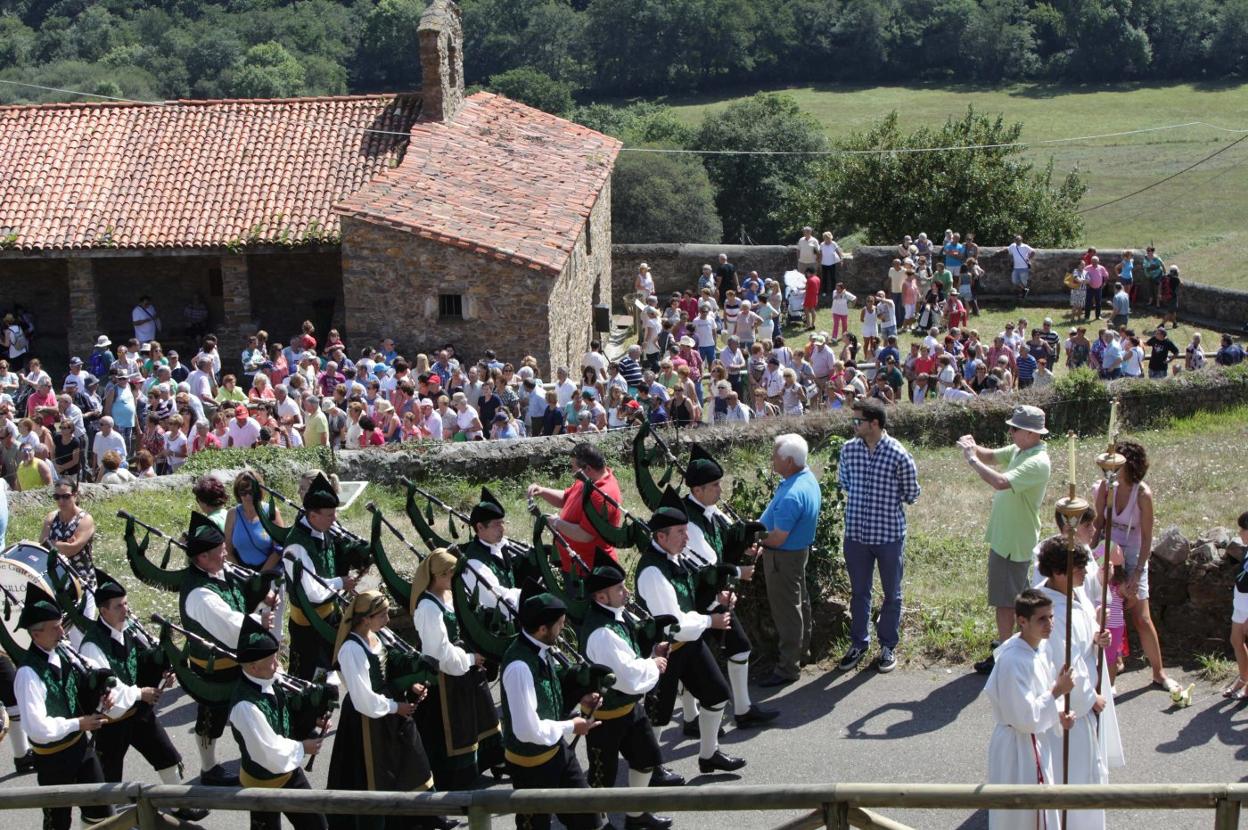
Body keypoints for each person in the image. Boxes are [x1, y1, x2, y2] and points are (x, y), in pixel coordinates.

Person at [78, 569, 208, 821]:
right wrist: (141, 693)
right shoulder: (92, 645)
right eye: (118, 606)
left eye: (126, 603)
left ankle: (178, 804)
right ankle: (103, 823)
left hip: (139, 712)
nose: (125, 610)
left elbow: (145, 660)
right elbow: (110, 690)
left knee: (166, 755)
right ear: (103, 611)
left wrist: (163, 675)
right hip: (112, 723)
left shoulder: (128, 630)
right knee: (107, 778)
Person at [635, 488, 744, 773]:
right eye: (680, 532)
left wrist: (716, 601)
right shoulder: (652, 572)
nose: (687, 537)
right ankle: (652, 769)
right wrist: (711, 621)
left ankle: (709, 755)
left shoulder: (676, 557)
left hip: (689, 645)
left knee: (717, 695)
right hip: (665, 651)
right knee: (658, 715)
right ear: (660, 537)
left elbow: (693, 596)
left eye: (686, 530)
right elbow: (675, 624)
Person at [328, 590, 455, 830]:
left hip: (393, 709)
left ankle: (429, 817)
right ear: (365, 618)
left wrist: (412, 684)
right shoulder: (351, 650)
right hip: (368, 721)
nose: (388, 619)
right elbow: (363, 698)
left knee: (415, 762)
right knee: (378, 776)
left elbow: (389, 669)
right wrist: (396, 707)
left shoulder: (377, 636)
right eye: (382, 615)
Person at [579, 551, 679, 829]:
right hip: (605, 717)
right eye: (619, 589)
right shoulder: (602, 633)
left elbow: (629, 658)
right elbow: (627, 677)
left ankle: (636, 815)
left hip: (629, 709)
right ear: (601, 597)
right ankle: (599, 824)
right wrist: (654, 664)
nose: (626, 592)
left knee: (646, 759)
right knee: (602, 777)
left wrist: (650, 653)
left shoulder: (616, 616)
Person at [681, 445, 777, 727]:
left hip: (712, 594)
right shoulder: (688, 520)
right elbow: (705, 563)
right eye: (714, 485)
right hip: (698, 599)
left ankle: (734, 711)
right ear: (697, 491)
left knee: (730, 650)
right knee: (700, 655)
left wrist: (746, 545)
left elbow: (728, 537)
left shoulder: (710, 510)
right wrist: (736, 573)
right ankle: (696, 717)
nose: (720, 490)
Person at [181, 510, 278, 786]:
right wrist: (259, 619)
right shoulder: (199, 594)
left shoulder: (219, 570)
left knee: (248, 711)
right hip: (215, 668)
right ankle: (209, 769)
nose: (225, 554)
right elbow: (230, 625)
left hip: (234, 661)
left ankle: (257, 758)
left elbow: (242, 588)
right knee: (212, 717)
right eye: (220, 551)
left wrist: (262, 591)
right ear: (202, 558)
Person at [1035, 538, 1123, 830]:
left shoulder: (1073, 593)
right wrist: (1090, 698)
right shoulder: (1049, 611)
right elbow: (1064, 663)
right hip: (1069, 709)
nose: (1087, 573)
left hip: (1085, 694)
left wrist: (1098, 637)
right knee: (1074, 777)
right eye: (1080, 567)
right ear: (1059, 572)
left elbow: (1083, 638)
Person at [500, 585, 605, 830]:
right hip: (530, 766)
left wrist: (582, 701)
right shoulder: (519, 667)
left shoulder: (541, 648)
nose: (563, 628)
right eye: (559, 624)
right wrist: (572, 725)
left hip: (557, 752)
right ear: (542, 629)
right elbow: (527, 730)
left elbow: (549, 692)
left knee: (588, 818)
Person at [13, 582, 115, 830]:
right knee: (58, 821)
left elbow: (85, 682)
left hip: (80, 747)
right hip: (53, 760)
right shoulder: (28, 674)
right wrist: (78, 723)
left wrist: (103, 695)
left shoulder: (64, 651)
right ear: (36, 634)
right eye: (55, 627)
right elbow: (37, 729)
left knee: (100, 809)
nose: (62, 632)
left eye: (61, 624)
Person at [958, 406, 1052, 674]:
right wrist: (973, 447)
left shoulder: (1037, 462)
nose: (1009, 432)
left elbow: (999, 481)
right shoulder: (1021, 451)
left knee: (1005, 602)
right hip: (1008, 538)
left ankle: (1003, 654)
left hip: (1013, 542)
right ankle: (1017, 648)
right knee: (1018, 599)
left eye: (1014, 428)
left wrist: (971, 460)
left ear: (1031, 433)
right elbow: (990, 456)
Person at [837, 401, 920, 673]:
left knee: (891, 593)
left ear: (874, 423)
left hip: (888, 536)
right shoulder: (849, 450)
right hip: (856, 535)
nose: (854, 426)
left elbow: (912, 494)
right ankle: (859, 643)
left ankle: (887, 646)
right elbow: (845, 482)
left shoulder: (898, 454)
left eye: (857, 421)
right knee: (859, 592)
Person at [411, 549, 504, 789]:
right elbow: (440, 653)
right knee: (456, 727)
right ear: (438, 575)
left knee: (480, 715)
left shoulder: (450, 594)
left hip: (467, 668)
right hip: (446, 677)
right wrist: (471, 659)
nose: (456, 578)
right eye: (451, 574)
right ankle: (458, 779)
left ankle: (493, 761)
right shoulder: (428, 608)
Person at [983, 589, 1075, 830]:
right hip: (1018, 747)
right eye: (1042, 619)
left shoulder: (1040, 648)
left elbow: (1037, 697)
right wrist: (1057, 691)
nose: (1050, 624)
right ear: (1022, 621)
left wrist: (1058, 715)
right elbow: (1024, 717)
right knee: (1020, 818)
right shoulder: (1013, 661)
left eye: (1051, 617)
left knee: (1037, 812)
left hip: (1035, 741)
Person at [1092, 439, 1177, 693]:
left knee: (1141, 616)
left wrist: (1136, 574)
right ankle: (1110, 665)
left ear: (1130, 465)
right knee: (1104, 611)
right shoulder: (1104, 488)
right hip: (1107, 552)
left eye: (1117, 462)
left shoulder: (1143, 494)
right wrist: (1089, 555)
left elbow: (1148, 538)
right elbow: (1097, 526)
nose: (1111, 467)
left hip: (1134, 554)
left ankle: (1158, 673)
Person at [228, 618, 328, 830]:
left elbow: (285, 710)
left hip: (289, 771)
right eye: (272, 661)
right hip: (262, 783)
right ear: (254, 667)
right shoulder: (245, 707)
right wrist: (303, 747)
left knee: (317, 825)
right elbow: (267, 751)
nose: (277, 666)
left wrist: (313, 719)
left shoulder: (268, 679)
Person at [282, 472, 370, 680]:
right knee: (307, 681)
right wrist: (341, 582)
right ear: (313, 516)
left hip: (330, 617)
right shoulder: (296, 546)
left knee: (334, 673)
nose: (335, 519)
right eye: (330, 515)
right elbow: (312, 591)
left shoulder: (322, 530)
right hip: (307, 626)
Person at [755, 434, 822, 687]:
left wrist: (758, 540)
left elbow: (778, 538)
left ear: (790, 462)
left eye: (776, 456)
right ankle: (801, 653)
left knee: (786, 612)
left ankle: (787, 668)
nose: (772, 459)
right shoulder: (806, 479)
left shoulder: (793, 494)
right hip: (796, 554)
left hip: (782, 558)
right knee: (799, 603)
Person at [528, 443, 623, 573]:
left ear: (587, 468)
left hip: (590, 570)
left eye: (573, 467)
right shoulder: (588, 480)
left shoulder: (601, 495)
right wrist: (542, 491)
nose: (572, 472)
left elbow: (585, 535)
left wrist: (556, 522)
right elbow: (566, 498)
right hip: (573, 565)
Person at [1226, 513, 1248, 699]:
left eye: (1243, 529)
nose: (1240, 532)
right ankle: (1243, 678)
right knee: (1236, 640)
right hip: (1240, 602)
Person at [1007, 233, 1035, 301]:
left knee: (1023, 282)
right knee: (1014, 281)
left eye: (1019, 240)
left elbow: (1033, 251)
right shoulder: (1013, 246)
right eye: (1016, 240)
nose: (1017, 241)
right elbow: (1007, 249)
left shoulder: (1025, 246)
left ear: (1021, 240)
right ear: (1014, 240)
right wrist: (999, 251)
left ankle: (1022, 295)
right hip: (1016, 268)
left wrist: (1028, 258)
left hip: (1024, 267)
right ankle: (1025, 290)